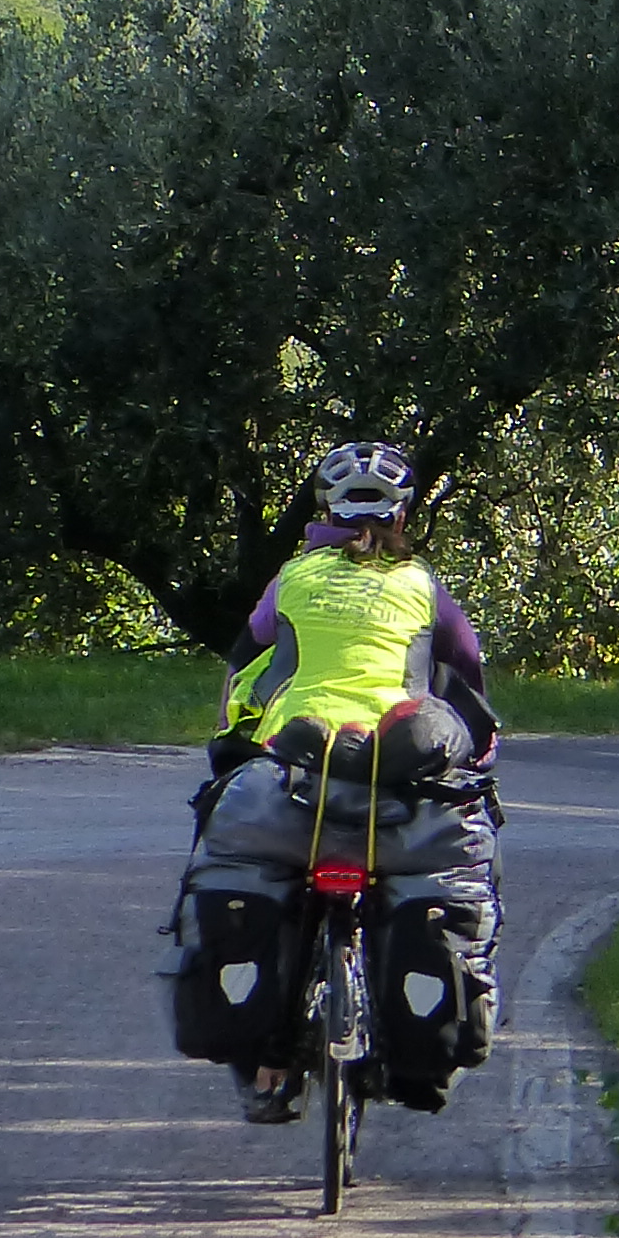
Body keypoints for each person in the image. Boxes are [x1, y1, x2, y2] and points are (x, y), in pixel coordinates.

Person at [209, 439, 497, 1124]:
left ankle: (267, 1067)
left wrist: (227, 745)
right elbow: (468, 673)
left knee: (262, 870)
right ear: (404, 515)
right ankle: (416, 1053)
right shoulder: (423, 585)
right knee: (428, 878)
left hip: (298, 757)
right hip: (399, 762)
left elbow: (245, 661)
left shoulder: (294, 578)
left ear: (323, 511)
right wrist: (478, 759)